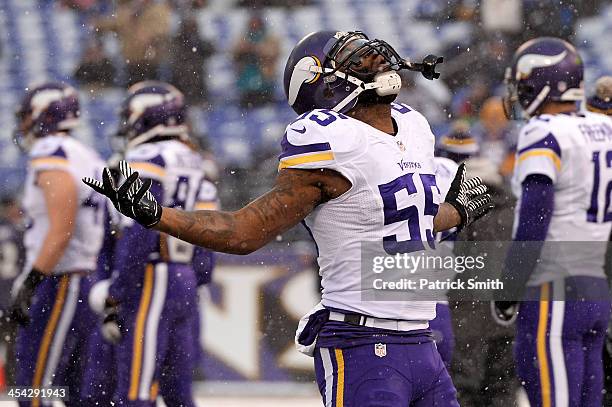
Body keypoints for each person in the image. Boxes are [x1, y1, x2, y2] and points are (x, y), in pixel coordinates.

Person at [84, 30, 494, 406]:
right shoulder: (329, 138)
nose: (372, 57)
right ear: (323, 81)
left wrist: (454, 212)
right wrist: (158, 216)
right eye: (351, 55)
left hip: (422, 340)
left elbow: (404, 220)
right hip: (363, 342)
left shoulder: (413, 126)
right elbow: (244, 231)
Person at [493, 37, 612, 407]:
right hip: (596, 286)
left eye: (525, 85)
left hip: (554, 288)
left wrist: (509, 287)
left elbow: (534, 220)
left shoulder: (545, 130)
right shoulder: (603, 127)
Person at [94, 81, 216, 406]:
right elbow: (207, 235)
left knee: (136, 386)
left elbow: (141, 230)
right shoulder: (193, 160)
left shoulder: (148, 156)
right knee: (178, 391)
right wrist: (195, 278)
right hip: (183, 276)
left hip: (151, 275)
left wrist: (117, 290)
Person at [9, 83, 106, 406]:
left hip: (61, 280)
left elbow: (62, 228)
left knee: (33, 387)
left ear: (41, 115)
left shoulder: (50, 150)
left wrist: (32, 281)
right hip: (83, 278)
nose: (22, 124)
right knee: (79, 392)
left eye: (26, 116)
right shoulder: (88, 155)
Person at [232, 13, 280, 108]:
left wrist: (257, 50)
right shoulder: (244, 38)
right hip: (248, 73)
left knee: (264, 98)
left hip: (263, 74)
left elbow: (273, 52)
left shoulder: (269, 37)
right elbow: (235, 52)